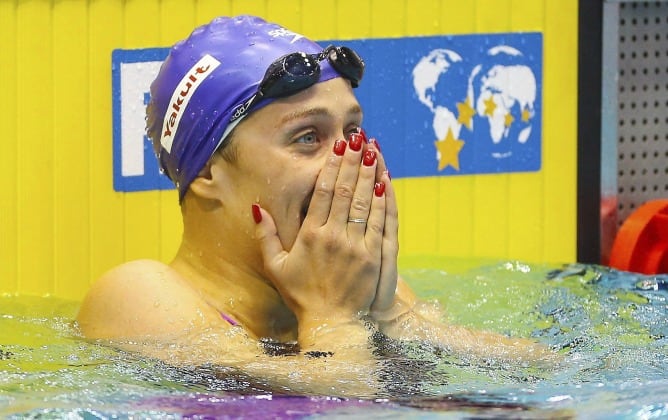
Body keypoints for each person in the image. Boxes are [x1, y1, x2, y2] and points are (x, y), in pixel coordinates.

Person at [77, 15, 556, 396]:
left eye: (351, 133)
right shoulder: (139, 296)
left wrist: (391, 317)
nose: (346, 167)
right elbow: (343, 399)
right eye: (307, 138)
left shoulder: (347, 283)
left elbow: (550, 375)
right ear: (207, 173)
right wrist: (334, 320)